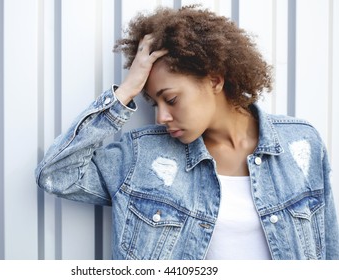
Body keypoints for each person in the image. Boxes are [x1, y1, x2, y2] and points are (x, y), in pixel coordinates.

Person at [35, 5, 339, 260]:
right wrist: (126, 90)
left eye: (172, 99)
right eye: (153, 102)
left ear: (215, 80)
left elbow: (327, 252)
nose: (162, 116)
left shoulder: (301, 144)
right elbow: (57, 174)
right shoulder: (143, 157)